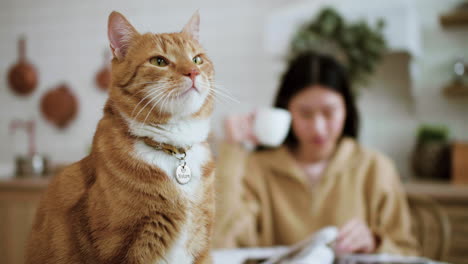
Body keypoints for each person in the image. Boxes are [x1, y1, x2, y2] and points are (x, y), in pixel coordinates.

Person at [213, 52, 419, 256]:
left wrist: (375, 243)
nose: (318, 128)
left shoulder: (375, 167)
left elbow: (408, 253)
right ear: (286, 110)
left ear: (346, 109)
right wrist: (232, 151)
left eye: (329, 112)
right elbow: (222, 245)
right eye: (305, 113)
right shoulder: (256, 168)